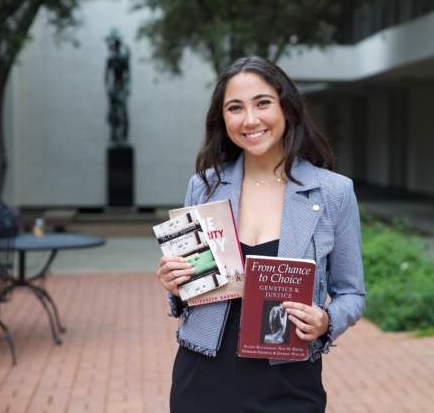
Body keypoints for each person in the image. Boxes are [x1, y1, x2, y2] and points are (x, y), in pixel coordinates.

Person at [157, 56, 366, 412]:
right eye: (235, 108)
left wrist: (327, 320)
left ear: (288, 109)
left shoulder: (333, 193)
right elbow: (190, 293)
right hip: (201, 376)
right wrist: (176, 284)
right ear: (223, 120)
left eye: (263, 103)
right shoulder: (204, 186)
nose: (250, 120)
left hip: (288, 380)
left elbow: (352, 293)